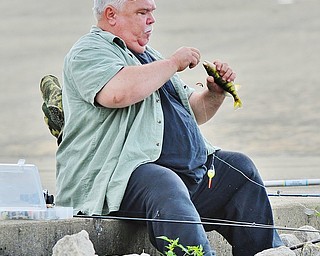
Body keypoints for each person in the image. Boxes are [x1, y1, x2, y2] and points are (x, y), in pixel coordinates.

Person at [56, 0, 283, 255]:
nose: (151, 20)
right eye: (142, 13)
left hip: (185, 180)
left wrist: (215, 92)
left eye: (152, 12)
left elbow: (196, 111)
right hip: (119, 182)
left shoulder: (151, 57)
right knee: (164, 182)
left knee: (240, 169)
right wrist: (174, 62)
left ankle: (267, 252)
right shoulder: (88, 51)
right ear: (111, 15)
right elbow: (117, 93)